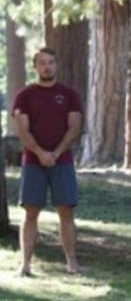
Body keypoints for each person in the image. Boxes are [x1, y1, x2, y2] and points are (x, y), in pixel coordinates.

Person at [12, 47, 82, 276]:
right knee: (30, 211)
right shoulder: (24, 96)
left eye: (51, 62)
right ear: (35, 67)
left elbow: (75, 127)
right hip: (33, 162)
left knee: (66, 211)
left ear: (56, 65)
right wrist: (40, 153)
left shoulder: (69, 95)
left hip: (63, 161)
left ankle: (72, 262)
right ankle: (25, 264)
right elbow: (22, 130)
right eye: (42, 63)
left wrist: (56, 153)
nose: (47, 67)